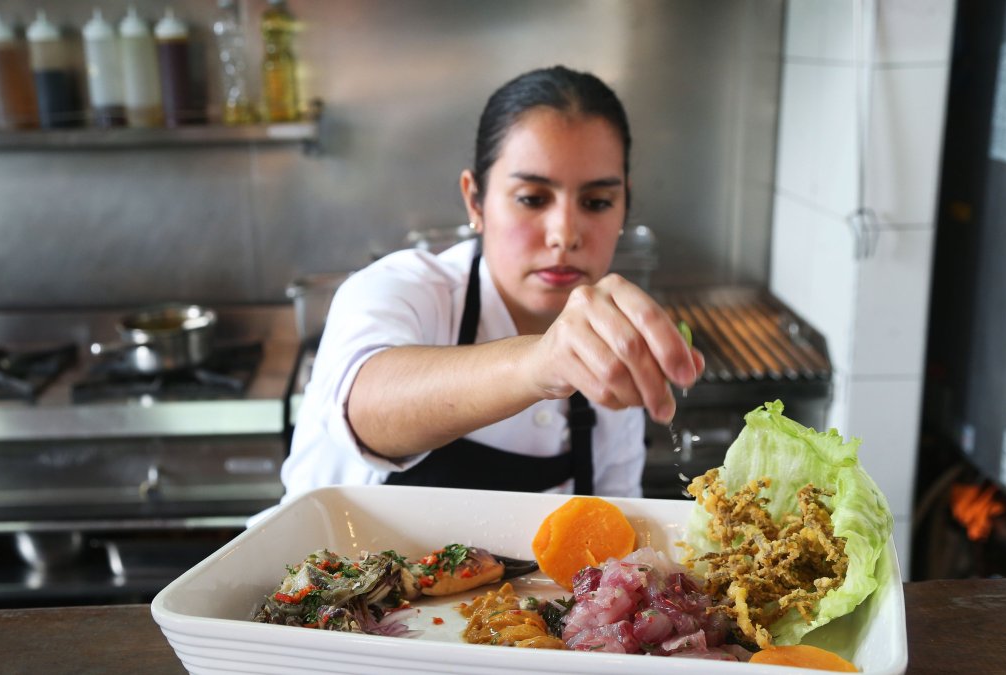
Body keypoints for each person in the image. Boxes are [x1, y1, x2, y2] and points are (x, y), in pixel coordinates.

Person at [282, 66, 703, 500]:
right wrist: (540, 362)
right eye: (532, 199)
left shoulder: (614, 356)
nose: (565, 233)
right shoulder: (402, 290)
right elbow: (363, 408)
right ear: (475, 200)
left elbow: (616, 534)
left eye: (597, 202)